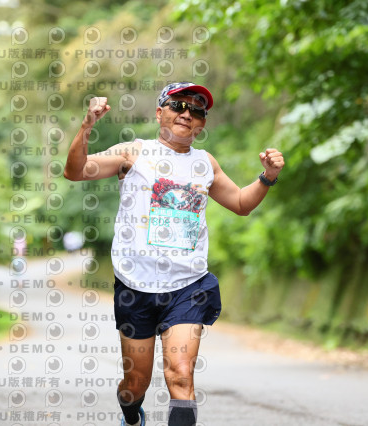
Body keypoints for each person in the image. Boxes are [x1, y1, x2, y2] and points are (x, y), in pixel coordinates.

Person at [64, 82, 284, 426]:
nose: (186, 113)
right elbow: (75, 171)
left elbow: (241, 203)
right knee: (135, 384)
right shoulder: (133, 153)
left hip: (187, 285)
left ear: (202, 123)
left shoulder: (205, 163)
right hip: (135, 285)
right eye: (177, 105)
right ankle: (131, 416)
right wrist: (86, 127)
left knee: (181, 375)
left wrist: (268, 177)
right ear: (159, 113)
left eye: (196, 110)